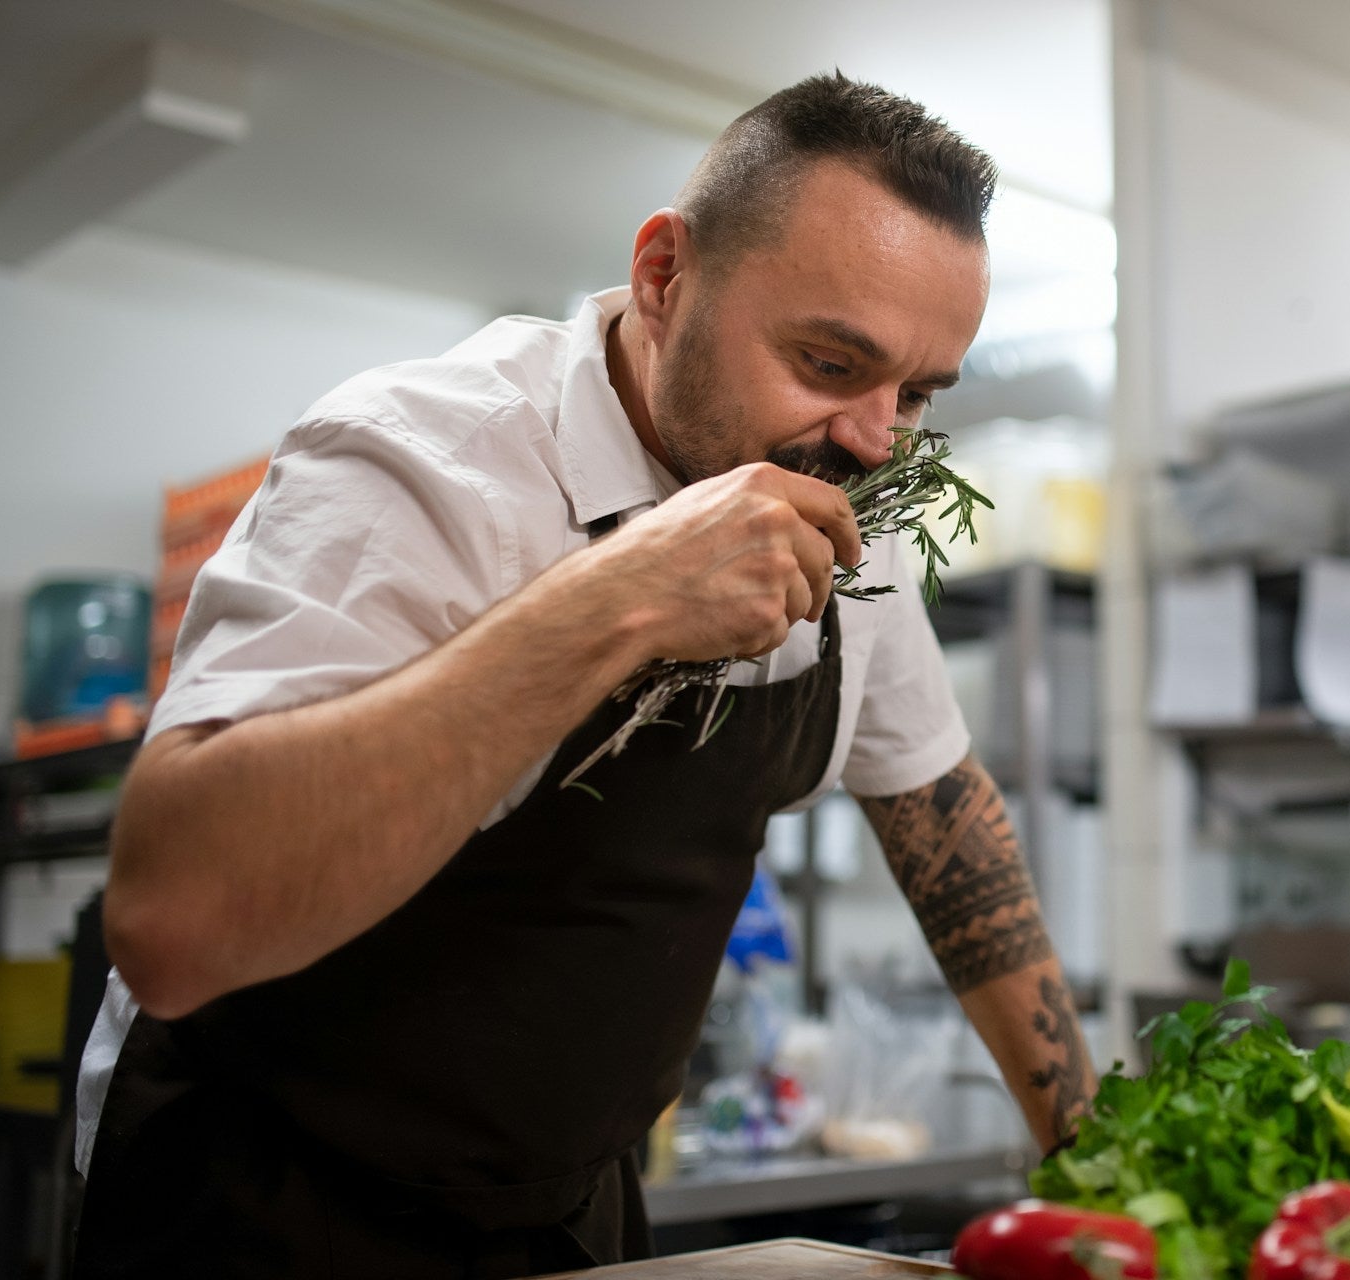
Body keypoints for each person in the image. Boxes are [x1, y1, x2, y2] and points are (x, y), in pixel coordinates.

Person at [71, 72, 1096, 1278]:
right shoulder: (420, 465)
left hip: (566, 1207)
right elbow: (175, 920)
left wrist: (1100, 1160)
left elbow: (948, 827)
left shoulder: (848, 510)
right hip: (260, 1204)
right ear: (665, 277)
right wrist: (622, 592)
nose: (875, 439)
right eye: (829, 361)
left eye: (916, 394)